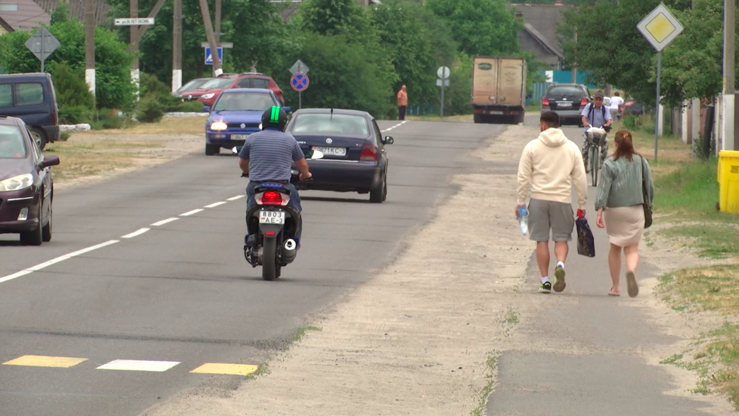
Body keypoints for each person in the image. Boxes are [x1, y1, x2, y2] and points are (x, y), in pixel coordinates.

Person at [517, 111, 588, 294]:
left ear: (543, 125)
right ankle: (560, 264)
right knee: (561, 239)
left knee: (541, 240)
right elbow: (580, 179)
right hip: (562, 200)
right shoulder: (571, 148)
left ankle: (545, 280)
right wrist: (581, 204)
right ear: (558, 125)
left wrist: (520, 202)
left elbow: (523, 177)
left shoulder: (532, 147)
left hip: (539, 199)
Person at [238, 106, 312, 245]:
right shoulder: (289, 140)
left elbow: (242, 162)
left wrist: (247, 171)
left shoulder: (252, 138)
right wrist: (306, 174)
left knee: (251, 209)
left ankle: (252, 235)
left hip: (257, 185)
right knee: (296, 210)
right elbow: (302, 164)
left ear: (263, 122)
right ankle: (294, 241)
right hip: (282, 185)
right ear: (283, 124)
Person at [594, 130, 654, 298]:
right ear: (631, 143)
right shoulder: (641, 162)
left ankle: (615, 287)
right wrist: (649, 204)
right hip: (636, 210)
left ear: (615, 144)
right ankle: (631, 271)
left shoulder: (609, 163)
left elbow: (604, 190)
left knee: (615, 247)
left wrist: (599, 211)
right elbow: (649, 187)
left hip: (615, 211)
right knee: (632, 248)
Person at [581, 91, 613, 172]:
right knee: (584, 148)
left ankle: (602, 164)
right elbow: (584, 116)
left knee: (605, 146)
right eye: (596, 99)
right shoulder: (589, 106)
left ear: (602, 101)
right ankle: (585, 165)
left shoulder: (605, 109)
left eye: (600, 100)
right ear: (594, 100)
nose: (598, 101)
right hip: (589, 130)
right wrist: (585, 122)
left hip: (600, 131)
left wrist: (607, 124)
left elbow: (609, 120)